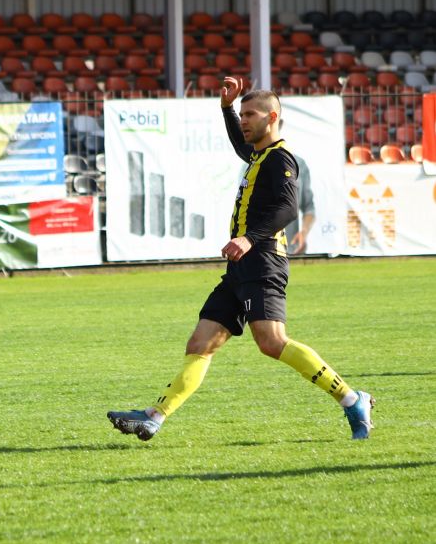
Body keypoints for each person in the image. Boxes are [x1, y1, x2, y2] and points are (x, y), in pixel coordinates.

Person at [108, 76, 374, 441]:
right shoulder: (259, 155)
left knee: (272, 342)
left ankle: (352, 399)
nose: (245, 121)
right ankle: (154, 416)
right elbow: (239, 142)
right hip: (240, 268)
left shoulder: (279, 159)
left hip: (263, 262)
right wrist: (227, 108)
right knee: (200, 344)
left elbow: (288, 208)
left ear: (272, 117)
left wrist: (248, 238)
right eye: (243, 115)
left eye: (251, 114)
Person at [285, 152, 316, 254]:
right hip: (260, 251)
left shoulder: (298, 163)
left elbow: (309, 208)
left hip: (291, 250)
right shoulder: (250, 164)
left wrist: (304, 232)